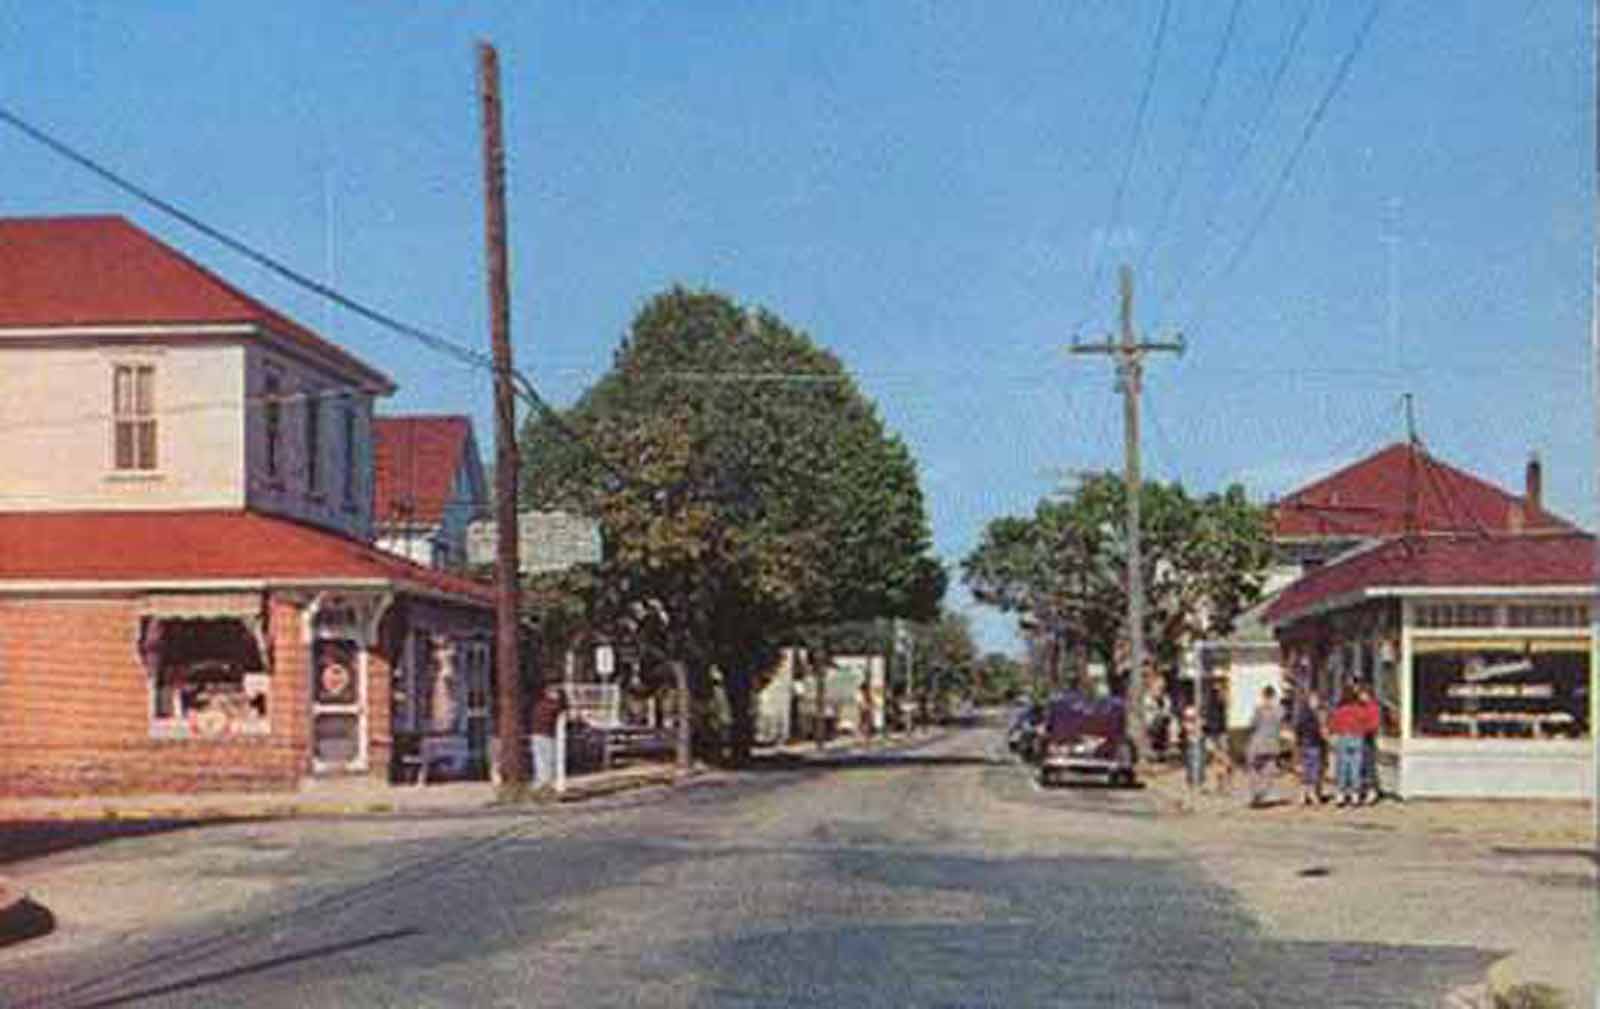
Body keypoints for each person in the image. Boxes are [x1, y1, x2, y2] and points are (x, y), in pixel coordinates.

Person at [1326, 684, 1368, 807]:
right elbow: (1366, 723)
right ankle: (1355, 795)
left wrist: (1332, 732)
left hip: (1344, 737)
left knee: (1343, 767)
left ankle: (1341, 795)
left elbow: (1333, 725)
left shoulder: (1340, 710)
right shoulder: (1360, 710)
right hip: (1357, 737)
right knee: (1356, 767)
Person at [1245, 684, 1282, 808]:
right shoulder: (1279, 710)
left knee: (1253, 769)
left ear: (1263, 695)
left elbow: (1252, 724)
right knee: (1269, 771)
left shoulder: (1259, 710)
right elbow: (1280, 724)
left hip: (1257, 744)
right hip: (1272, 744)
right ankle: (1262, 793)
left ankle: (1256, 793)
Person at [529, 682, 568, 789]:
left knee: (541, 759)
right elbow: (558, 712)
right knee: (548, 758)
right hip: (546, 735)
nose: (557, 694)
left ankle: (541, 781)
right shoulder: (552, 705)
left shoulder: (540, 704)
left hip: (538, 734)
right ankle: (546, 781)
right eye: (555, 692)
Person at [1293, 690, 1328, 806]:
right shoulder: (1310, 715)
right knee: (1310, 769)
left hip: (1313, 744)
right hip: (1310, 744)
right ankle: (1308, 794)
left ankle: (1306, 794)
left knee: (1311, 769)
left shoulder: (1314, 714)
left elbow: (1297, 730)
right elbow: (1300, 730)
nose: (1316, 702)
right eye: (1314, 700)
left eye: (1316, 700)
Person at [1356, 683, 1383, 804]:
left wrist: (1363, 728)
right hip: (1359, 737)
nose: (1360, 697)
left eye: (1362, 695)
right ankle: (1363, 789)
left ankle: (1372, 790)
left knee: (1369, 765)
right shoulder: (1360, 707)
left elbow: (1374, 724)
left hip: (1368, 738)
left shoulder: (1372, 707)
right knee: (1361, 766)